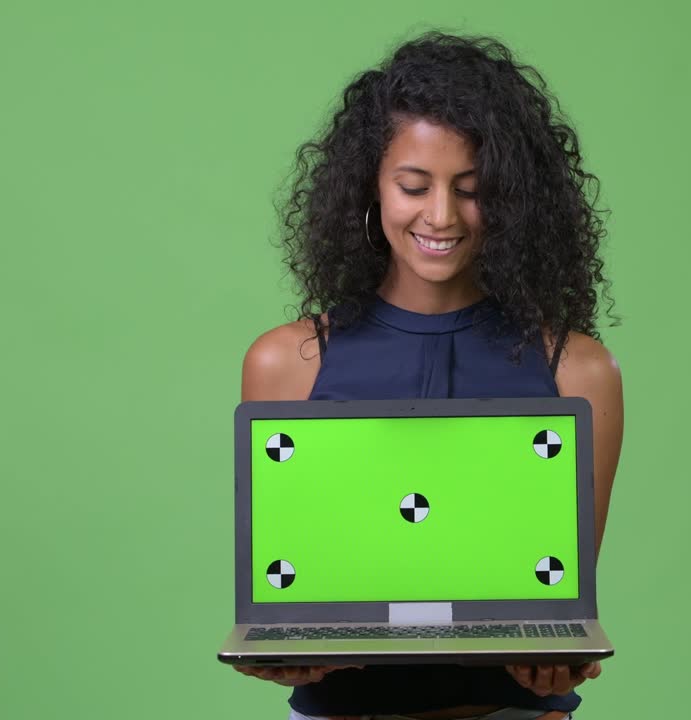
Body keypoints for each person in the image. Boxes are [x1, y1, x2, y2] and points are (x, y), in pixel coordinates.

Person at [235, 31, 624, 720]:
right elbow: (286, 592)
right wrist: (285, 651)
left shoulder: (579, 371)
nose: (440, 217)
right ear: (371, 187)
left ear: (511, 202)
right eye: (413, 186)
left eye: (471, 191)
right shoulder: (283, 364)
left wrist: (555, 660)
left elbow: (562, 601)